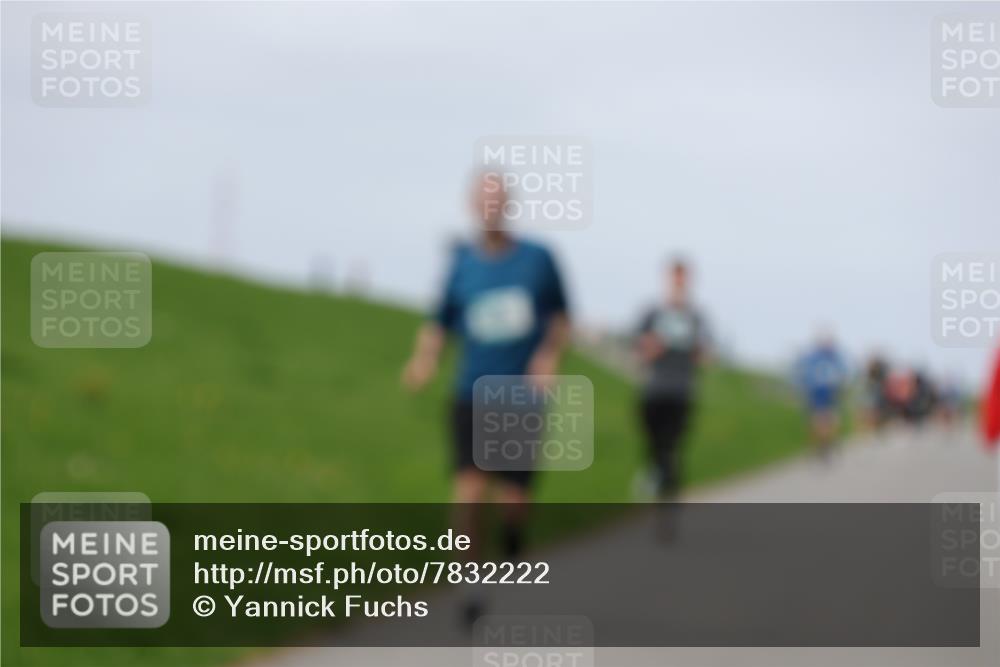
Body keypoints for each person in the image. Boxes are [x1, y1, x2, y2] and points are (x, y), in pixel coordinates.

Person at [401, 169, 570, 622]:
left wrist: (548, 358)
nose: (491, 207)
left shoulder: (538, 259)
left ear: (508, 205)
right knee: (470, 490)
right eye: (484, 199)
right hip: (470, 391)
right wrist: (424, 359)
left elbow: (560, 318)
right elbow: (439, 321)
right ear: (473, 205)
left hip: (519, 394)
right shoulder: (462, 264)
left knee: (513, 499)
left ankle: (513, 541)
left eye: (498, 199)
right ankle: (469, 585)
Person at [634, 258, 709, 501]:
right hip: (655, 389)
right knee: (654, 443)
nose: (679, 282)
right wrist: (652, 346)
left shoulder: (695, 316)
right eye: (675, 277)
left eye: (683, 278)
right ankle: (657, 475)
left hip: (682, 390)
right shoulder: (653, 312)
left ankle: (669, 495)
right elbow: (638, 348)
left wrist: (696, 350)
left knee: (672, 446)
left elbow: (705, 356)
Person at [794, 332, 848, 460]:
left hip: (825, 392)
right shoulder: (831, 357)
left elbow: (803, 374)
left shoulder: (816, 357)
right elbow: (842, 375)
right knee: (823, 420)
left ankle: (824, 445)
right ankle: (823, 445)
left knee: (823, 420)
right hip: (822, 392)